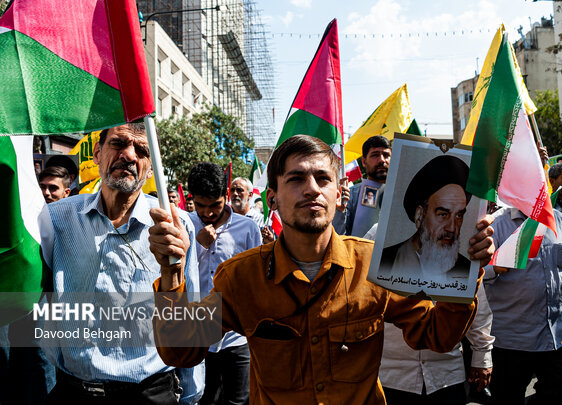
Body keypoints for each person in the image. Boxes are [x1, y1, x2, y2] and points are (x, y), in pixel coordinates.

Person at [148, 135, 496, 405]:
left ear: (336, 192)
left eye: (322, 178)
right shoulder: (241, 278)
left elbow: (435, 335)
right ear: (272, 198)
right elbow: (181, 351)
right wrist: (171, 274)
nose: (311, 188)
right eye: (296, 178)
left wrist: (465, 271)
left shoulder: (373, 264)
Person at [42, 123, 204, 404]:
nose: (128, 155)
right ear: (97, 153)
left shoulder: (176, 226)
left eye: (142, 150)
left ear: (150, 168)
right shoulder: (55, 220)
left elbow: (191, 313)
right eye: (118, 144)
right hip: (72, 391)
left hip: (150, 393)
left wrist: (191, 394)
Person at [364, 227, 494, 405]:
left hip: (446, 375)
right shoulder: (381, 232)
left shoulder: (460, 237)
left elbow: (476, 298)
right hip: (390, 376)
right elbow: (361, 293)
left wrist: (482, 355)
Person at [484, 207, 562, 405]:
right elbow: (472, 271)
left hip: (555, 337)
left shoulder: (560, 220)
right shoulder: (496, 223)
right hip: (510, 341)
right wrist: (493, 267)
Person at [187, 163, 261, 405]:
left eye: (214, 206)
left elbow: (255, 278)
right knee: (199, 399)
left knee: (237, 400)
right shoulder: (183, 225)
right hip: (193, 335)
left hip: (235, 336)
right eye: (200, 206)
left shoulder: (248, 228)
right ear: (192, 200)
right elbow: (173, 272)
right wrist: (198, 245)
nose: (207, 213)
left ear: (226, 196)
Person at [379, 155, 471, 283]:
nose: (451, 227)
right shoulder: (385, 261)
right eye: (443, 215)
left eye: (458, 215)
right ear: (419, 215)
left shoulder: (466, 269)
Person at [333, 135, 391, 236]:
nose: (381, 160)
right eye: (375, 155)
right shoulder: (349, 196)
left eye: (386, 155)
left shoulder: (402, 194)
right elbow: (339, 237)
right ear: (364, 161)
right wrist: (340, 211)